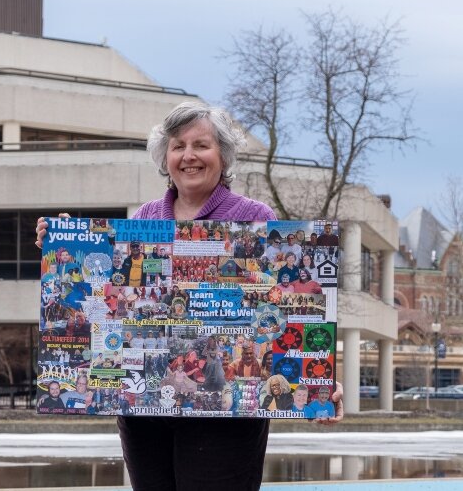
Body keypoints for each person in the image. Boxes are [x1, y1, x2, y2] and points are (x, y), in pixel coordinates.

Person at [35, 101, 343, 490]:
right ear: (165, 156)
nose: (189, 156)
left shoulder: (255, 218)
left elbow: (288, 312)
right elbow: (106, 302)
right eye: (178, 145)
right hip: (146, 409)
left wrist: (320, 377)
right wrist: (64, 246)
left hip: (225, 411)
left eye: (201, 145)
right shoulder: (144, 218)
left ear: (223, 156)